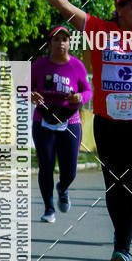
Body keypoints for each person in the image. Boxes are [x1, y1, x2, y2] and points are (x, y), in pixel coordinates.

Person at [24, 0, 132, 261]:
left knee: (129, 179)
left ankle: (123, 248)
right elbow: (65, 7)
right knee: (114, 183)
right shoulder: (101, 31)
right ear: (120, 9)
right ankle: (120, 236)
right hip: (107, 121)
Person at [31, 26, 92, 222]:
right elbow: (25, 88)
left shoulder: (77, 66)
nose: (61, 43)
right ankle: (49, 208)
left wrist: (79, 96)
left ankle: (63, 188)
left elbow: (88, 91)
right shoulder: (39, 66)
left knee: (70, 170)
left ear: (69, 43)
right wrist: (30, 94)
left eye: (64, 39)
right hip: (43, 120)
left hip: (70, 121)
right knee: (46, 166)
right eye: (56, 40)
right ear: (49, 44)